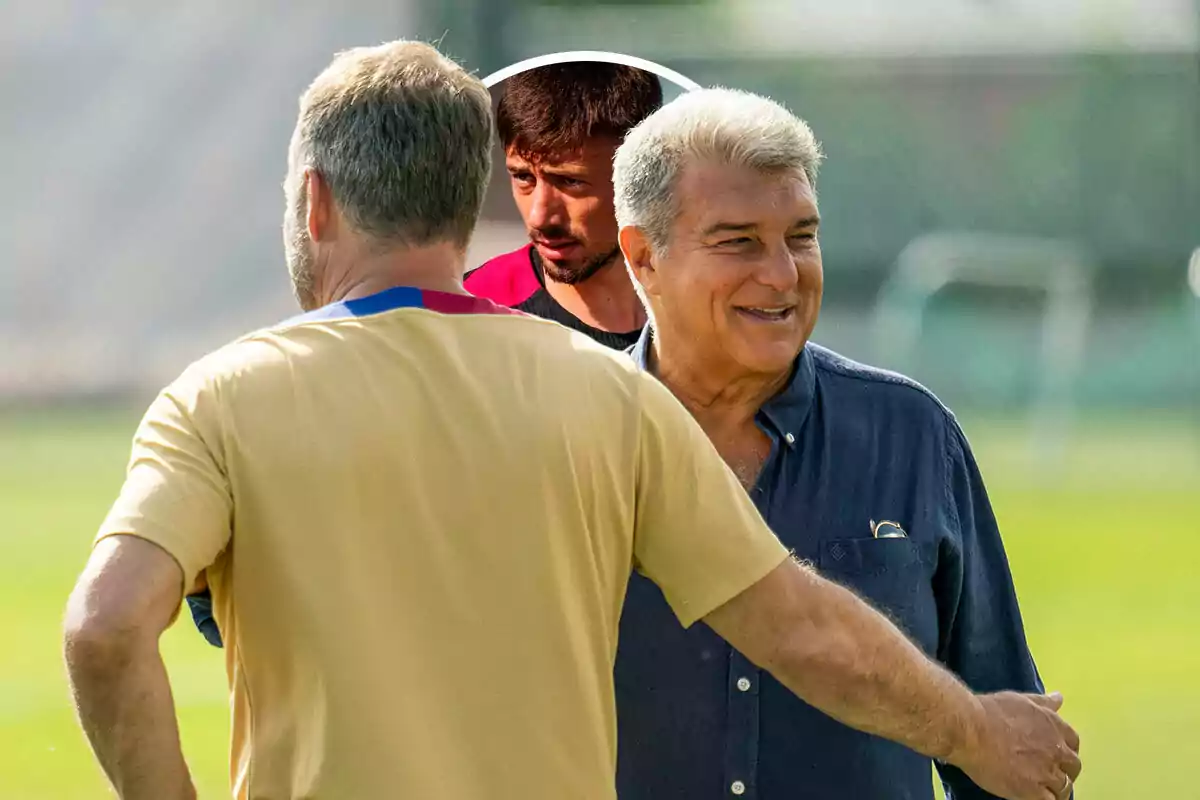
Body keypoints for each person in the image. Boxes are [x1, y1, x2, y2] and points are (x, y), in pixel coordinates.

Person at [58, 41, 1081, 800]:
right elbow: (799, 626)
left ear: (316, 203)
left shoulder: (222, 397)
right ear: (473, 203)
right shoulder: (609, 396)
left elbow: (105, 627)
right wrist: (972, 727)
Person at [610, 87, 1079, 800]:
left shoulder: (913, 436)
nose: (782, 274)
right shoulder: (573, 439)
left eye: (801, 236)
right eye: (739, 241)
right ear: (643, 257)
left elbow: (1011, 743)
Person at [463, 62, 659, 349]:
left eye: (570, 182)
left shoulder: (709, 310)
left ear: (641, 177)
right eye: (523, 177)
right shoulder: (464, 314)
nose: (539, 216)